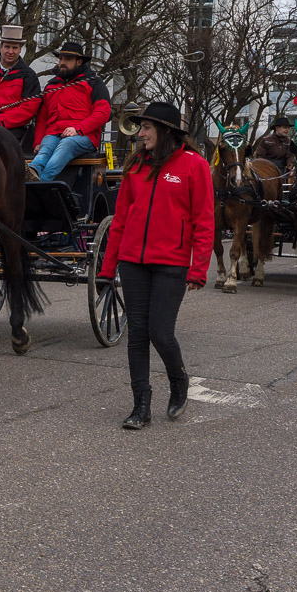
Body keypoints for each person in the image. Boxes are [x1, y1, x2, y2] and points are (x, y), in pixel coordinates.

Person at [96, 102, 214, 430]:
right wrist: (107, 267)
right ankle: (141, 405)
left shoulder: (194, 165)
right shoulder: (135, 166)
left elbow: (205, 221)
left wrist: (198, 269)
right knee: (137, 333)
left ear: (165, 131)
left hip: (171, 263)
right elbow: (120, 220)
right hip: (132, 261)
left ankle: (178, 380)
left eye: (146, 127)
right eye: (141, 127)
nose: (141, 133)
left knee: (160, 332)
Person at [27, 41, 112, 182]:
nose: (62, 62)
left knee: (66, 144)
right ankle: (32, 171)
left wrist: (78, 129)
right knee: (45, 148)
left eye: (67, 59)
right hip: (54, 133)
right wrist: (37, 142)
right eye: (61, 59)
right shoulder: (51, 86)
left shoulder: (94, 82)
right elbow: (42, 118)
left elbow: (103, 113)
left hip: (84, 136)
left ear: (79, 61)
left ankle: (41, 182)